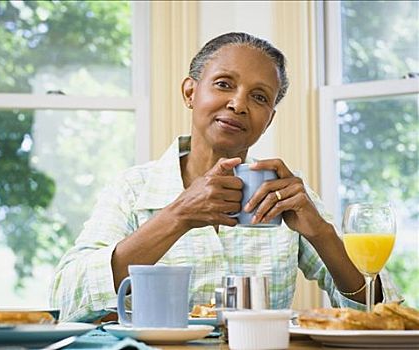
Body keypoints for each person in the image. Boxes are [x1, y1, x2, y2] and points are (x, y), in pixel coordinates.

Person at [50, 32, 400, 322]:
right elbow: (67, 297)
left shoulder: (286, 194)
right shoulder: (132, 190)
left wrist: (322, 235)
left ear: (269, 119)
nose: (238, 104)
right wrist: (178, 215)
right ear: (190, 92)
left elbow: (382, 313)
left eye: (259, 97)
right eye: (223, 84)